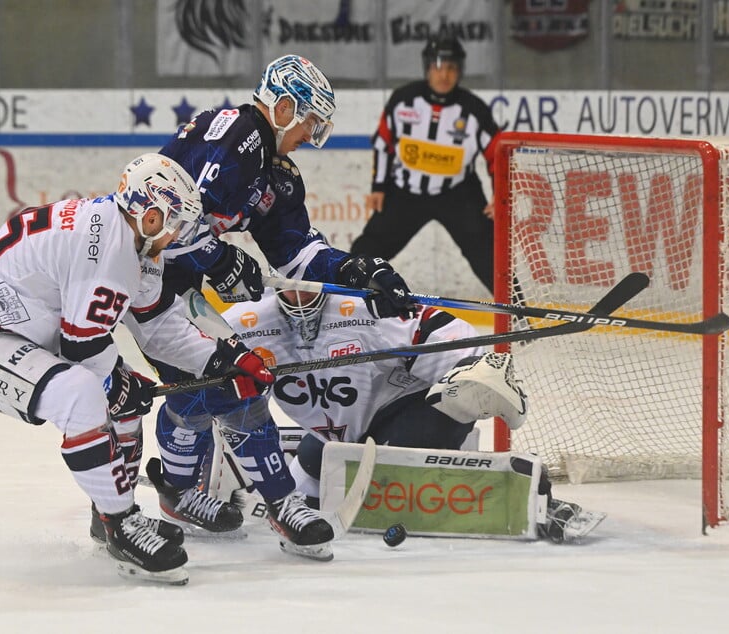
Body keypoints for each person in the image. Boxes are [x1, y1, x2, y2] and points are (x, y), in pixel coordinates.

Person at [125, 54, 417, 561]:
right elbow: (168, 221)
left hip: (178, 287)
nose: (309, 135)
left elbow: (297, 252)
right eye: (307, 122)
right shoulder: (239, 135)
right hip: (146, 282)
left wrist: (356, 271)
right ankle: (280, 505)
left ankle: (176, 491)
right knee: (235, 380)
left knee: (212, 385)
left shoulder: (273, 171)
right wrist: (222, 259)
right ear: (283, 106)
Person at [0, 153, 213, 585]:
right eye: (175, 222)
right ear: (150, 218)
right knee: (82, 392)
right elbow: (81, 346)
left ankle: (111, 512)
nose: (178, 234)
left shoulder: (122, 234)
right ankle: (120, 525)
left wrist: (223, 356)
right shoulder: (111, 250)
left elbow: (155, 325)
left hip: (2, 321)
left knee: (123, 400)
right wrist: (116, 383)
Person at [217, 287, 585, 543]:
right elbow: (194, 360)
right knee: (301, 500)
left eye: (307, 286)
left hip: (409, 412)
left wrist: (476, 372)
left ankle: (529, 493)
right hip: (338, 440)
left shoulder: (361, 308)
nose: (300, 299)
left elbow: (449, 337)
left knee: (396, 485)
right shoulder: (247, 322)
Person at [351, 35, 503, 295]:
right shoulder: (403, 100)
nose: (444, 74)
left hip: (459, 193)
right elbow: (383, 143)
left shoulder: (474, 110)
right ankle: (342, 303)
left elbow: (497, 155)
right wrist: (379, 186)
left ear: (460, 71)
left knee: (489, 256)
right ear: (427, 68)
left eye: (451, 67)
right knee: (366, 252)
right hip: (405, 192)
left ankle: (519, 317)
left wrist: (501, 195)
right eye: (438, 66)